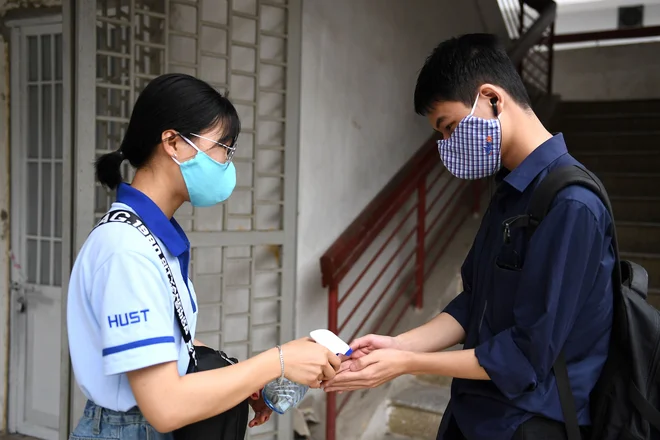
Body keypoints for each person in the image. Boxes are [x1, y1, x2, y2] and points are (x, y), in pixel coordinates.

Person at [322, 34, 614, 440]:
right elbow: (474, 302)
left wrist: (407, 364)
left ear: (492, 98)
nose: (446, 146)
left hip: (530, 423)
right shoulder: (511, 190)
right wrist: (399, 345)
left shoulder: (572, 204)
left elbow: (525, 357)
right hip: (476, 414)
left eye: (449, 127)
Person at [67, 73, 340, 440]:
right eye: (223, 148)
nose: (227, 163)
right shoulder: (125, 251)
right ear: (174, 143)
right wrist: (276, 361)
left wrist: (244, 381)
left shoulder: (151, 238)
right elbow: (164, 407)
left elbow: (171, 346)